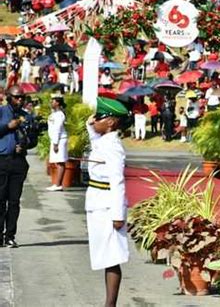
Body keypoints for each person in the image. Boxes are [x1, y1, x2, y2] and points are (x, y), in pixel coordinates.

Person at [85, 97, 130, 306]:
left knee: (112, 257)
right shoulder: (104, 140)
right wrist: (91, 125)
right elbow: (96, 143)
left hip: (107, 204)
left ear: (111, 122)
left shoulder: (113, 146)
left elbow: (117, 180)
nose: (95, 121)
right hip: (97, 201)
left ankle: (110, 304)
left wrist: (118, 214)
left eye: (100, 118)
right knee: (104, 255)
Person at [0, 86, 30, 247]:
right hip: (2, 160)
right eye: (17, 97)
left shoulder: (25, 116)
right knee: (0, 200)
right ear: (8, 97)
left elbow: (33, 138)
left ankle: (10, 235)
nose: (20, 100)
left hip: (18, 162)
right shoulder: (2, 112)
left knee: (14, 201)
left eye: (22, 97)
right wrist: (7, 127)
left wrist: (25, 144)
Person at [46, 93, 68, 191]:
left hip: (59, 140)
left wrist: (55, 143)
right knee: (57, 162)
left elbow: (57, 129)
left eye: (53, 101)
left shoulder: (60, 115)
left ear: (58, 103)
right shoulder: (54, 113)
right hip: (55, 139)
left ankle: (58, 184)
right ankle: (56, 184)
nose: (51, 102)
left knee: (60, 162)